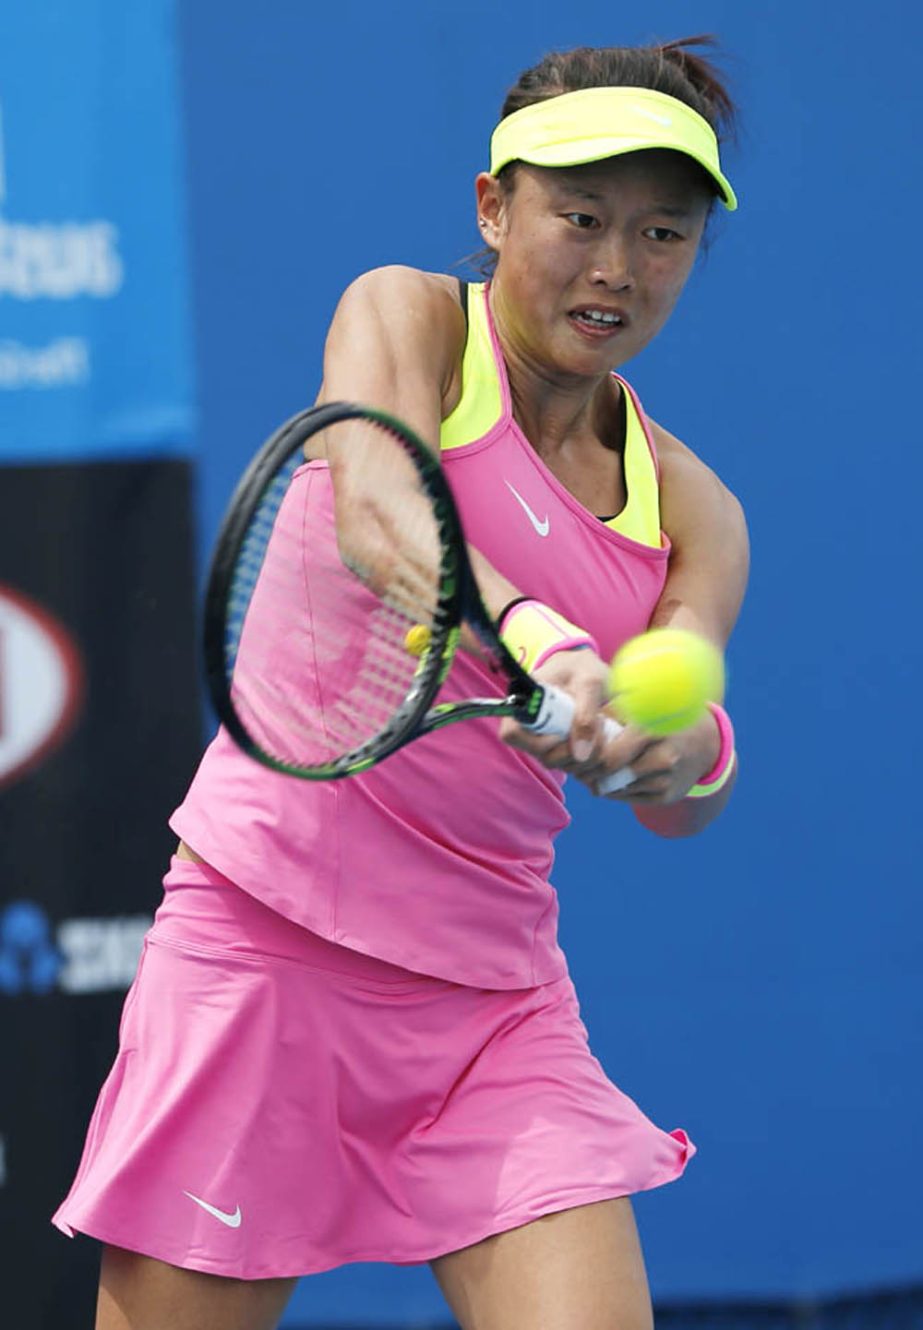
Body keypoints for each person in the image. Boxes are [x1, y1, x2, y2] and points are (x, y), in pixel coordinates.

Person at [54, 36, 749, 1330]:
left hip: (494, 1004)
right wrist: (536, 635)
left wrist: (676, 757)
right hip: (264, 946)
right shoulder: (407, 317)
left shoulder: (697, 508)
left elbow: (691, 772)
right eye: (582, 217)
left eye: (663, 234)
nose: (616, 267)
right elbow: (382, 505)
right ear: (494, 207)